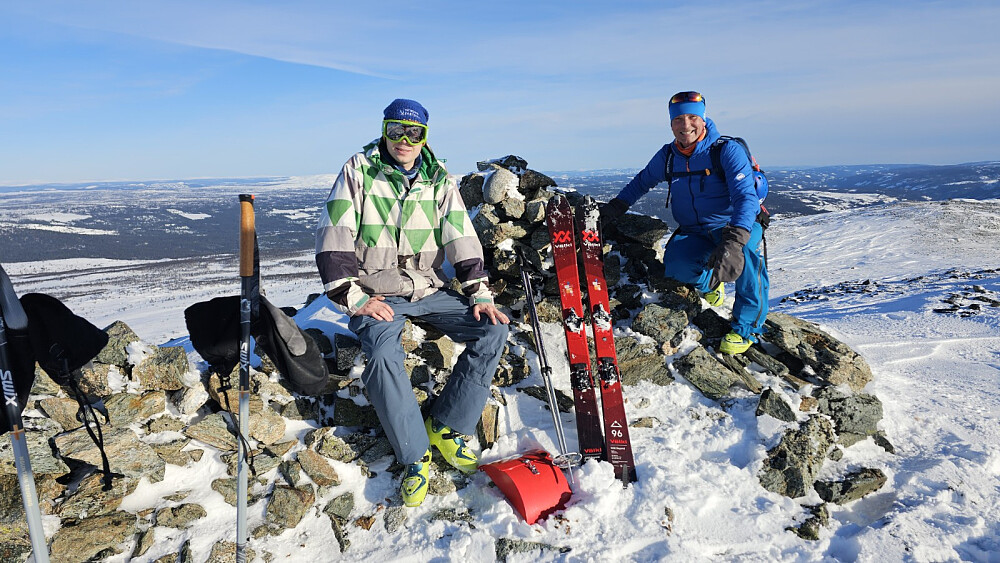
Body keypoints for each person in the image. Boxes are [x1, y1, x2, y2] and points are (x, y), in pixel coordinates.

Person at [315, 98, 510, 507]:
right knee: (384, 352)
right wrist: (355, 298)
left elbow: (461, 236)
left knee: (493, 328)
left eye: (414, 132)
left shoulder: (438, 178)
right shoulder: (359, 169)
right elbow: (335, 231)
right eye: (396, 131)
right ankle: (414, 454)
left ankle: (448, 425)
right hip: (377, 293)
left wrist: (480, 293)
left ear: (425, 136)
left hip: (428, 289)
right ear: (384, 130)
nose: (404, 140)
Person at [602, 91, 769, 354]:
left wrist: (735, 241)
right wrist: (614, 209)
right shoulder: (669, 156)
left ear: (703, 119)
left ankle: (747, 329)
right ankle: (711, 283)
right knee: (676, 266)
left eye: (692, 117)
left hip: (732, 225)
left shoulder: (725, 150)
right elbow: (642, 182)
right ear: (671, 124)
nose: (686, 125)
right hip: (694, 230)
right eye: (679, 119)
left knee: (746, 259)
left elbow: (746, 197)